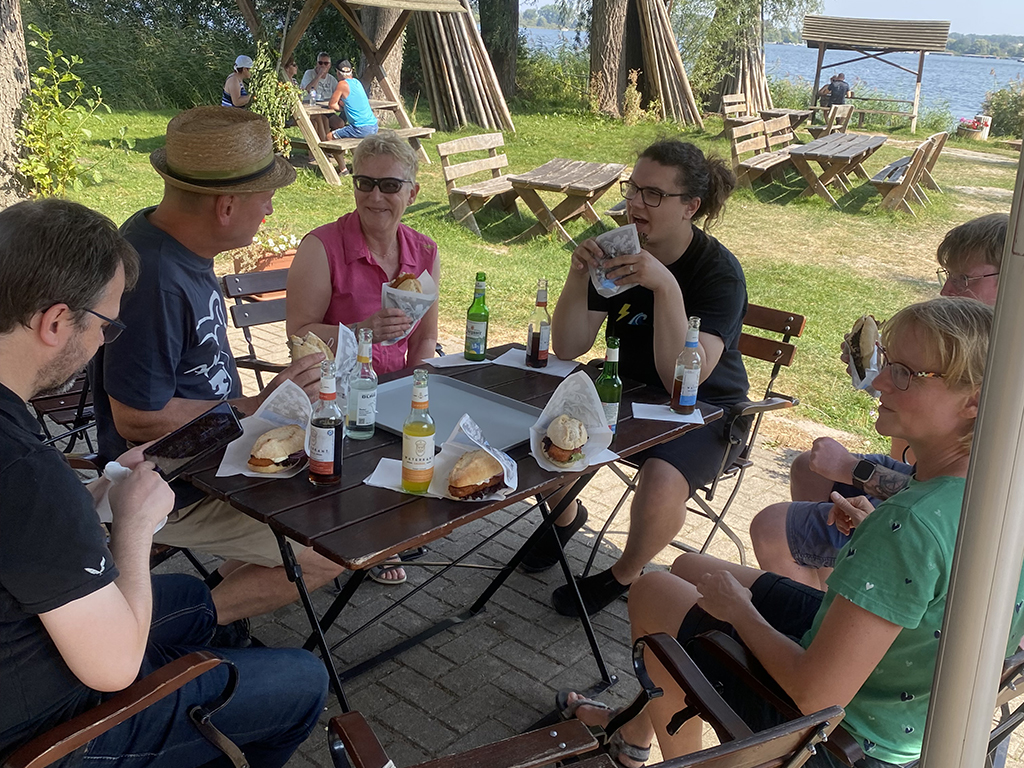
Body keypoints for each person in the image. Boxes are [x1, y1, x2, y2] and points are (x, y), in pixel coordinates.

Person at [561, 297, 1022, 768]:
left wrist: (742, 615)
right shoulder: (1000, 495)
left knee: (654, 591)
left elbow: (812, 697)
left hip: (845, 738)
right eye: (887, 363)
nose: (879, 382)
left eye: (904, 374)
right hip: (905, 699)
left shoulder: (910, 525)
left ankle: (686, 762)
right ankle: (635, 735)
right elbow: (938, 580)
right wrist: (874, 535)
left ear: (975, 401)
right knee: (687, 567)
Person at [0, 198, 328, 767]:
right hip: (47, 731)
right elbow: (115, 665)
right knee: (302, 681)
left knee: (196, 605)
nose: (107, 341)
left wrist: (96, 493)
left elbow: (26, 533)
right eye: (107, 323)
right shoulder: (24, 472)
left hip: (35, 635)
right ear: (55, 322)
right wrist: (133, 524)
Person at [90, 107, 355, 638]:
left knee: (339, 487)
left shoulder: (178, 242)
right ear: (227, 205)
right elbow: (138, 418)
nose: (271, 208)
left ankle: (210, 610)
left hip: (217, 457)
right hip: (173, 483)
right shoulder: (157, 277)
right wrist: (257, 407)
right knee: (328, 549)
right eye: (265, 196)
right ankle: (166, 630)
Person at [527, 139, 751, 618]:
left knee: (662, 477)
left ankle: (621, 574)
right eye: (633, 189)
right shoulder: (620, 251)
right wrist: (577, 275)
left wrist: (664, 285)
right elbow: (568, 346)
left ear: (690, 207)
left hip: (705, 408)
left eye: (653, 195)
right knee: (543, 425)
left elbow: (684, 379)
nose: (634, 204)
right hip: (624, 391)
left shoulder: (718, 273)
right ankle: (566, 518)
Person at [750, 213, 1008, 589]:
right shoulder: (987, 345)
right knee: (809, 467)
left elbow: (953, 503)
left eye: (963, 279)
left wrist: (855, 471)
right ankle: (837, 593)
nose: (946, 291)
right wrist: (881, 376)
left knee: (772, 526)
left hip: (960, 532)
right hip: (936, 490)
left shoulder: (1007, 375)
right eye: (946, 275)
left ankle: (833, 618)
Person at [287, 129, 439, 377]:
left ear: (412, 194)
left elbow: (425, 338)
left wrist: (414, 390)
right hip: (332, 392)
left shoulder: (425, 251)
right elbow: (299, 333)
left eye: (390, 185)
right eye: (365, 183)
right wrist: (360, 333)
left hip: (392, 390)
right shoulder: (321, 247)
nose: (375, 196)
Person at [328, 59, 379, 140]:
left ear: (337, 73)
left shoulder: (342, 84)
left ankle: (328, 153)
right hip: (374, 126)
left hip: (360, 128)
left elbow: (332, 104)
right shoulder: (357, 82)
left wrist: (344, 108)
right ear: (351, 71)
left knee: (329, 136)